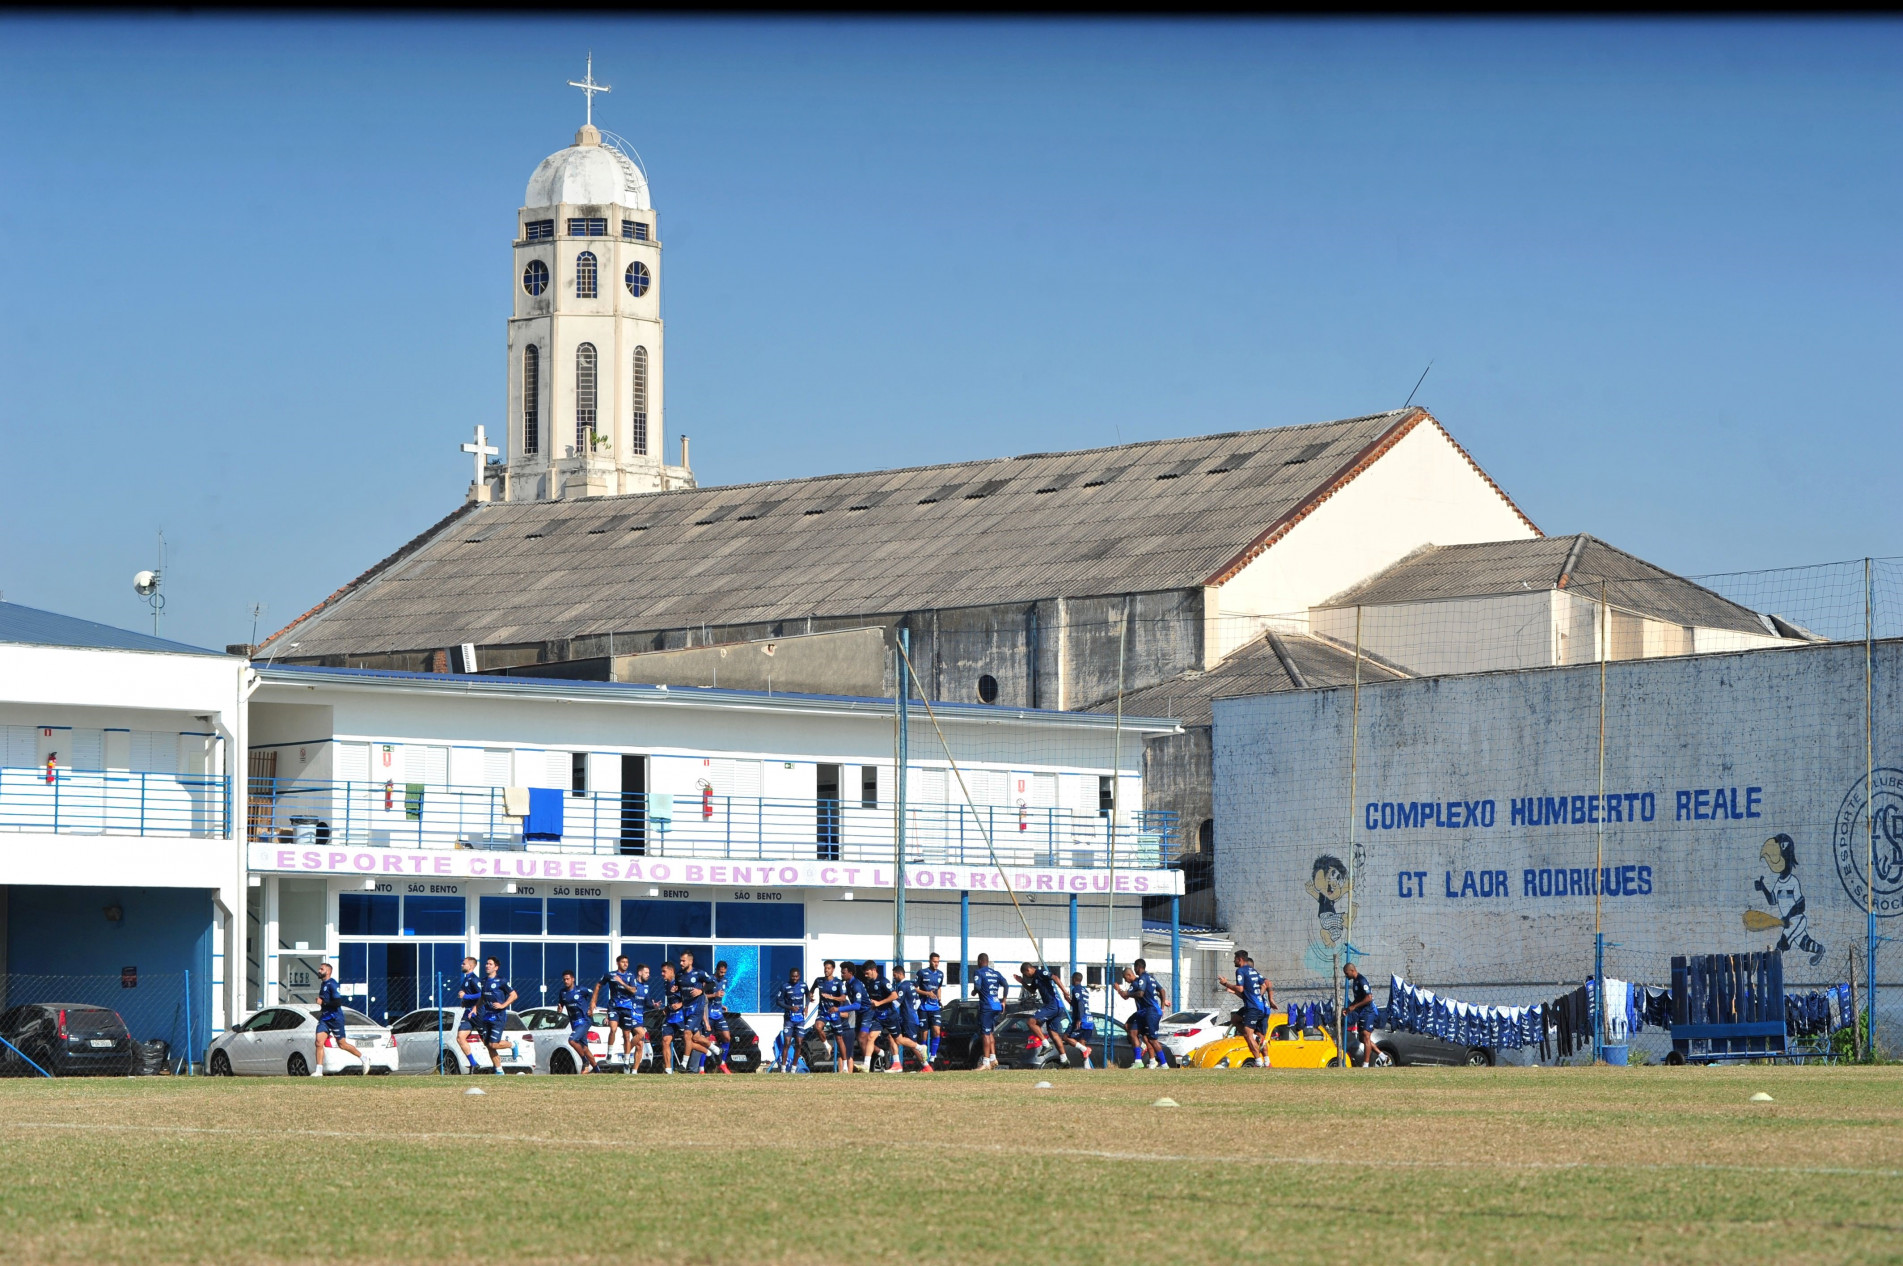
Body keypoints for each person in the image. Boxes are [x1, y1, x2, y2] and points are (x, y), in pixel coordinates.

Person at [863, 962, 933, 1073]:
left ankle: (926, 1066)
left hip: (907, 1018)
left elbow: (896, 1002)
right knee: (890, 1038)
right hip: (905, 1017)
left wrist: (881, 1004)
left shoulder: (902, 986)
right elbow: (918, 1001)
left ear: (899, 974)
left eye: (894, 975)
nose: (893, 978)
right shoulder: (911, 984)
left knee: (907, 1042)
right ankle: (894, 1064)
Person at [591, 955, 647, 1072]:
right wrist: (593, 1001)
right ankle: (610, 1053)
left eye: (627, 962)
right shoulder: (610, 975)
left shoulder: (630, 976)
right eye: (623, 962)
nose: (625, 964)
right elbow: (598, 985)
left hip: (626, 1008)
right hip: (614, 1007)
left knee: (627, 1036)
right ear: (618, 963)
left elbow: (633, 990)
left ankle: (626, 1061)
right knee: (613, 1029)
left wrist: (622, 983)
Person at [1218, 950, 1271, 1067]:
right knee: (1237, 1020)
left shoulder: (1241, 971)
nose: (1233, 961)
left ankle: (1258, 1062)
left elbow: (1241, 989)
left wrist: (1226, 984)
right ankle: (1267, 1061)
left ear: (1240, 959)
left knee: (1248, 1035)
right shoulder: (1254, 972)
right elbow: (1266, 983)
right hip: (1262, 1008)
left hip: (1253, 1007)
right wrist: (1267, 998)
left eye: (1235, 958)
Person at [310, 962, 363, 1077]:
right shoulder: (323, 984)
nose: (319, 971)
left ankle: (364, 1058)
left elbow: (337, 1002)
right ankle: (319, 1071)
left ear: (328, 972)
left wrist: (322, 1002)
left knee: (342, 1044)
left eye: (321, 969)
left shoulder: (332, 984)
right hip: (325, 1018)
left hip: (335, 1018)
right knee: (319, 1042)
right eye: (319, 968)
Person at [1115, 960, 1170, 1069]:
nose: (1125, 980)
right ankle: (1141, 1061)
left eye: (1125, 978)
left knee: (1150, 1039)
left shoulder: (1140, 980)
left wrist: (1119, 989)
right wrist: (1163, 1003)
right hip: (1144, 1012)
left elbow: (1137, 994)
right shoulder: (1150, 978)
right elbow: (1160, 991)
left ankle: (1163, 1064)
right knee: (1133, 1031)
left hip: (1149, 1011)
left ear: (1136, 968)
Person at [1017, 962, 1068, 1064]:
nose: (1026, 976)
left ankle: (1046, 1044)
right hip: (1057, 1006)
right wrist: (1022, 982)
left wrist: (1065, 992)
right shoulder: (1035, 978)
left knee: (1031, 1022)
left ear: (1028, 970)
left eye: (1025, 974)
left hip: (1052, 1005)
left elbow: (1055, 977)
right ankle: (1064, 1060)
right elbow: (1032, 990)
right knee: (1053, 1033)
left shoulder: (1040, 973)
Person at [675, 952, 717, 1073]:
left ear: (690, 961)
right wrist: (676, 989)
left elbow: (712, 983)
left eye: (683, 961)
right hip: (686, 1009)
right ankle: (715, 1050)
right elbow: (679, 987)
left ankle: (683, 1064)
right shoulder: (679, 975)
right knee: (696, 1037)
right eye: (680, 961)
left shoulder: (699, 973)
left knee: (687, 1034)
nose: (681, 963)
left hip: (697, 1008)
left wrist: (701, 991)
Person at [477, 956, 518, 1074]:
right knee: (488, 1045)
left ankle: (513, 1044)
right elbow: (483, 998)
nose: (487, 966)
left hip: (498, 1017)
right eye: (486, 963)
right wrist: (475, 1008)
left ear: (496, 967)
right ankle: (499, 1071)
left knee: (493, 1044)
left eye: (490, 964)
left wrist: (503, 1005)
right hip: (487, 1016)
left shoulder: (502, 980)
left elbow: (514, 995)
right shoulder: (483, 981)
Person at [969, 953, 1009, 1070]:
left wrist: (974, 992)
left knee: (985, 1034)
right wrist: (1004, 1001)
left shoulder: (979, 972)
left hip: (986, 1006)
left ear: (980, 961)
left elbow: (977, 986)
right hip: (996, 1005)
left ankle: (985, 1062)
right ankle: (993, 1058)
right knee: (990, 1032)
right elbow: (1006, 985)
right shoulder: (995, 973)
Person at [555, 969, 599, 1073]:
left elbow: (594, 994)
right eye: (564, 979)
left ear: (573, 979)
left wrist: (592, 1006)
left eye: (568, 979)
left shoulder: (581, 990)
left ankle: (585, 1062)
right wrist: (559, 1009)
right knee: (584, 1048)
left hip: (584, 1020)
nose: (566, 981)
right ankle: (597, 1070)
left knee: (572, 1040)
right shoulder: (563, 992)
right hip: (574, 1023)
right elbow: (561, 1004)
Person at [812, 960, 852, 1073]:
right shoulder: (819, 980)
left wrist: (831, 998)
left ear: (833, 969)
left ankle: (844, 1066)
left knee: (839, 1039)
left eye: (828, 968)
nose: (826, 970)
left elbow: (843, 998)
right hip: (823, 1011)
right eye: (825, 968)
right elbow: (812, 989)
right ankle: (827, 1046)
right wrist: (810, 996)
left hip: (834, 1012)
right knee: (818, 1027)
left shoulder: (838, 983)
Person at [770, 967, 808, 1072]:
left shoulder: (803, 985)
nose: (794, 978)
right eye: (793, 976)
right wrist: (790, 1007)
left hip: (800, 1018)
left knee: (799, 1043)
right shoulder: (785, 986)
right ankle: (783, 1068)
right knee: (787, 1042)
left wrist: (807, 1006)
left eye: (796, 976)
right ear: (790, 976)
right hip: (789, 1018)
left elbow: (808, 995)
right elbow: (778, 1001)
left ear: (799, 976)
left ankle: (794, 1068)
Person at [1055, 972, 1096, 1070]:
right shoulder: (1084, 990)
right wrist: (1068, 1000)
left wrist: (1079, 1018)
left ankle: (1084, 1049)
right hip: (1089, 1020)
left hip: (1082, 1019)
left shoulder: (1076, 989)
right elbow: (1077, 1003)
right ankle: (1087, 1066)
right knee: (1081, 1041)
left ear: (1073, 979)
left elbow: (1080, 1003)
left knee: (1065, 1037)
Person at [453, 955, 485, 1072]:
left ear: (470, 966)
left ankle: (512, 1046)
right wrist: (463, 998)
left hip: (478, 1012)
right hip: (467, 1013)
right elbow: (463, 992)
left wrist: (466, 996)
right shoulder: (466, 979)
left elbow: (482, 994)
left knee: (489, 1043)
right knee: (460, 1038)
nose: (462, 965)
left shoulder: (474, 979)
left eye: (464, 963)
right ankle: (474, 1063)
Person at [1343, 962, 1376, 1067]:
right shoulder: (1355, 982)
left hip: (1368, 1011)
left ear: (1352, 971)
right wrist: (1349, 1008)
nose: (1346, 975)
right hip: (1361, 1012)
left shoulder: (1362, 980)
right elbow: (1358, 999)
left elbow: (1368, 998)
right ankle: (1381, 1054)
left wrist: (1355, 1007)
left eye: (1346, 973)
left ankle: (1366, 1064)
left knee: (1366, 1036)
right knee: (1361, 1038)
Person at [914, 953, 945, 1064]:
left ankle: (933, 1056)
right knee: (924, 1034)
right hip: (923, 1007)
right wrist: (927, 993)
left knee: (937, 1031)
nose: (936, 964)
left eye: (938, 961)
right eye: (934, 961)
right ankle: (924, 1057)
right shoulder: (922, 973)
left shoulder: (941, 974)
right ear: (930, 961)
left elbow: (939, 987)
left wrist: (939, 999)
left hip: (935, 1007)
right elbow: (915, 988)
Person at [704, 961, 735, 1074]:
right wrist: (714, 995)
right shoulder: (710, 981)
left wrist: (721, 1005)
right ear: (716, 970)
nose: (722, 974)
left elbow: (718, 997)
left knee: (727, 1037)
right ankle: (701, 1068)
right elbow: (702, 996)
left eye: (724, 972)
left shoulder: (725, 981)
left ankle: (722, 1063)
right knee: (705, 1040)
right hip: (708, 1015)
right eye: (721, 972)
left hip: (718, 1014)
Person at [656, 961, 682, 1073]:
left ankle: (710, 1049)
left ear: (671, 971)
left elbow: (691, 998)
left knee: (692, 1041)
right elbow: (672, 999)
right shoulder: (666, 984)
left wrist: (680, 1004)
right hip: (671, 1017)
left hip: (682, 1016)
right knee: (665, 1040)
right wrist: (667, 1007)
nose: (662, 974)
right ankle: (668, 1070)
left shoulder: (680, 982)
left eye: (664, 971)